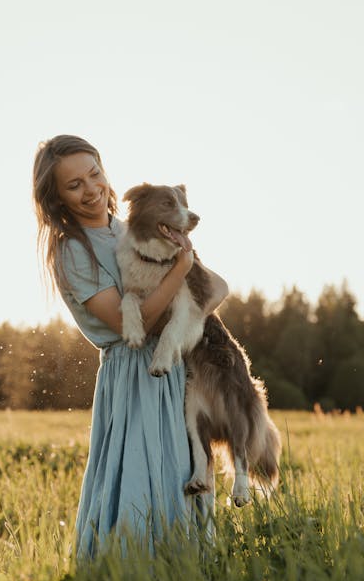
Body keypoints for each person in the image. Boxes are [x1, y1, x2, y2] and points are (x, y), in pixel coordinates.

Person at [32, 135, 228, 558]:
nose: (91, 189)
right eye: (74, 185)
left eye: (95, 174)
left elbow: (215, 288)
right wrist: (181, 269)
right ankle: (132, 576)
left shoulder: (131, 230)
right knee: (140, 472)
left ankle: (189, 573)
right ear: (57, 199)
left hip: (176, 366)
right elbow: (128, 325)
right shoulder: (73, 252)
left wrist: (190, 292)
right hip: (133, 377)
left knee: (181, 468)